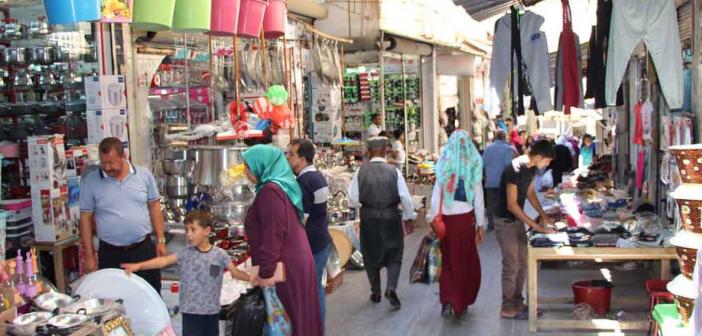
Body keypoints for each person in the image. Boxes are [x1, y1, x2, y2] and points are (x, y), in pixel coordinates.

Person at [121, 211, 250, 336]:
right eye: (187, 230)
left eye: (193, 230)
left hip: (211, 313)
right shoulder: (185, 254)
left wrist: (253, 278)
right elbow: (163, 261)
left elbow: (236, 273)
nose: (188, 234)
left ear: (207, 231)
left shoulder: (219, 255)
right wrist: (139, 266)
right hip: (190, 314)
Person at [242, 145, 323, 336]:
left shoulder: (270, 191)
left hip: (284, 267)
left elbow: (273, 233)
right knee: (296, 319)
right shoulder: (280, 186)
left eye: (248, 166)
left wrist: (266, 272)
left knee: (285, 322)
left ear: (262, 165)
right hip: (293, 261)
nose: (246, 171)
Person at [79, 137, 165, 293]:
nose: (106, 167)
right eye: (103, 162)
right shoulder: (91, 181)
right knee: (114, 299)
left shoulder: (143, 175)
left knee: (151, 294)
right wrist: (89, 255)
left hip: (143, 249)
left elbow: (154, 207)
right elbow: (85, 218)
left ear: (123, 156)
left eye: (111, 162)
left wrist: (160, 240)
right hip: (110, 253)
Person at [347, 136, 416, 309]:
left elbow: (353, 199)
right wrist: (409, 216)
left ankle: (376, 291)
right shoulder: (394, 172)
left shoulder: (360, 172)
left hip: (369, 219)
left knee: (370, 256)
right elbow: (405, 198)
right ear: (386, 150)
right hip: (391, 217)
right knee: (395, 255)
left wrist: (365, 203)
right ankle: (391, 287)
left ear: (368, 152)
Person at [495, 140, 557, 320]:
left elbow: (530, 193)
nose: (547, 165)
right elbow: (512, 205)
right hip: (506, 221)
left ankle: (517, 301)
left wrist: (543, 216)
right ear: (538, 157)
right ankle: (507, 306)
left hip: (516, 221)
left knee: (522, 263)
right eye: (547, 161)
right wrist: (536, 226)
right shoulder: (514, 169)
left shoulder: (529, 168)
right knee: (511, 265)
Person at [428, 130, 486, 319]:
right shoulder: (473, 165)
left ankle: (448, 299)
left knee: (449, 261)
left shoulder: (444, 165)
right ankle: (460, 299)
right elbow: (479, 199)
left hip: (446, 221)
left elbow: (436, 196)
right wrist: (480, 224)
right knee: (466, 260)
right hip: (465, 221)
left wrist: (433, 219)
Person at [286, 138, 332, 328]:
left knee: (311, 290)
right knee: (316, 289)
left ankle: (313, 327)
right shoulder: (317, 176)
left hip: (312, 244)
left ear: (302, 159)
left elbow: (301, 219)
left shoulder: (304, 181)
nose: (288, 158)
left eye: (291, 154)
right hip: (321, 240)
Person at [482, 130, 515, 231]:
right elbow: (508, 166)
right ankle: (501, 224)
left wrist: (485, 177)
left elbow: (482, 164)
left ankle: (491, 224)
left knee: (491, 203)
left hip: (490, 181)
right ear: (504, 138)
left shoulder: (488, 148)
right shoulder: (507, 149)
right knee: (502, 203)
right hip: (502, 182)